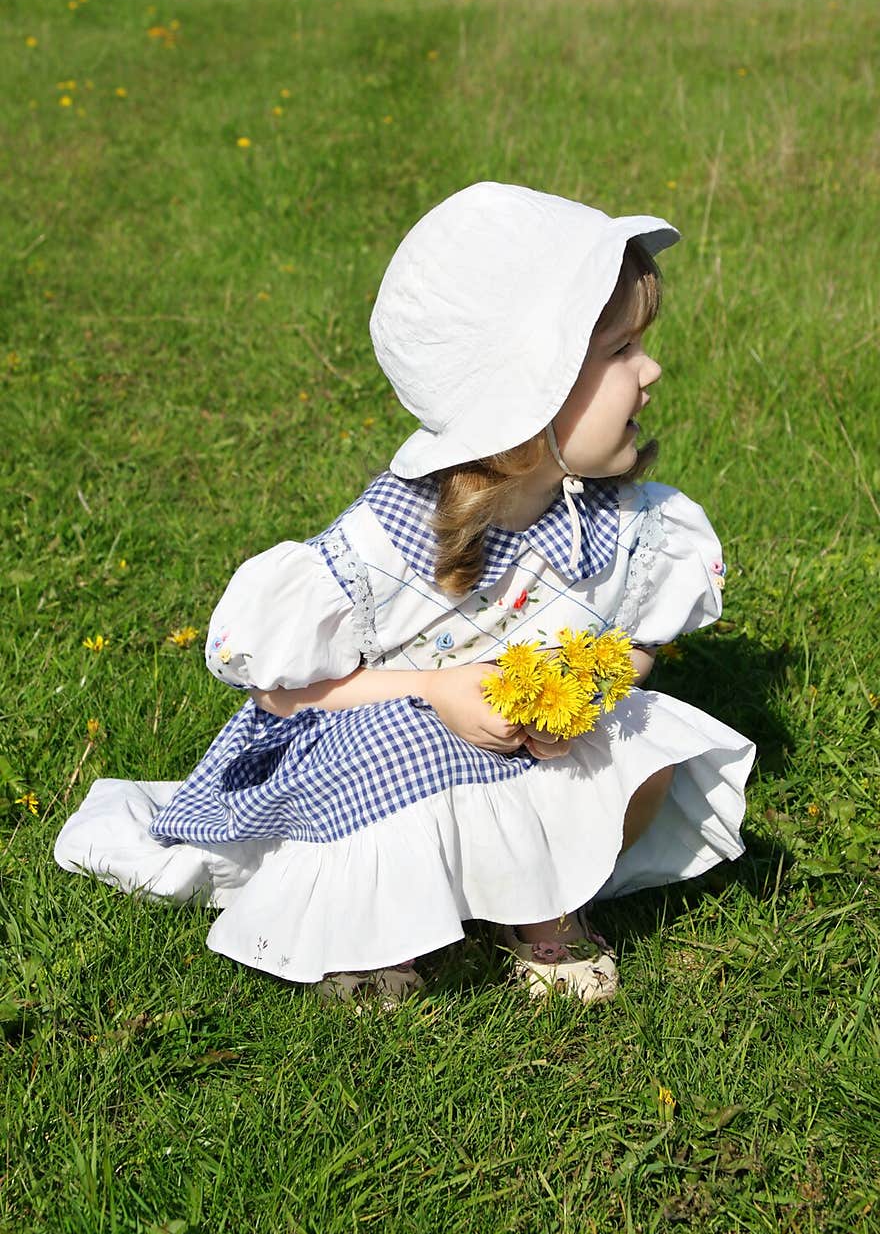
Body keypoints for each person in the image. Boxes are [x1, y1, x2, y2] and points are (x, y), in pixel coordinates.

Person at [55, 181, 756, 1008]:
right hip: (389, 746)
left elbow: (636, 639)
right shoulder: (393, 540)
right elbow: (282, 695)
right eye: (620, 352)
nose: (652, 370)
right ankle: (369, 928)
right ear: (526, 390)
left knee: (647, 746)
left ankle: (540, 903)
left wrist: (578, 705)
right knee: (394, 745)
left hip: (525, 746)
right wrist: (434, 690)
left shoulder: (625, 522)